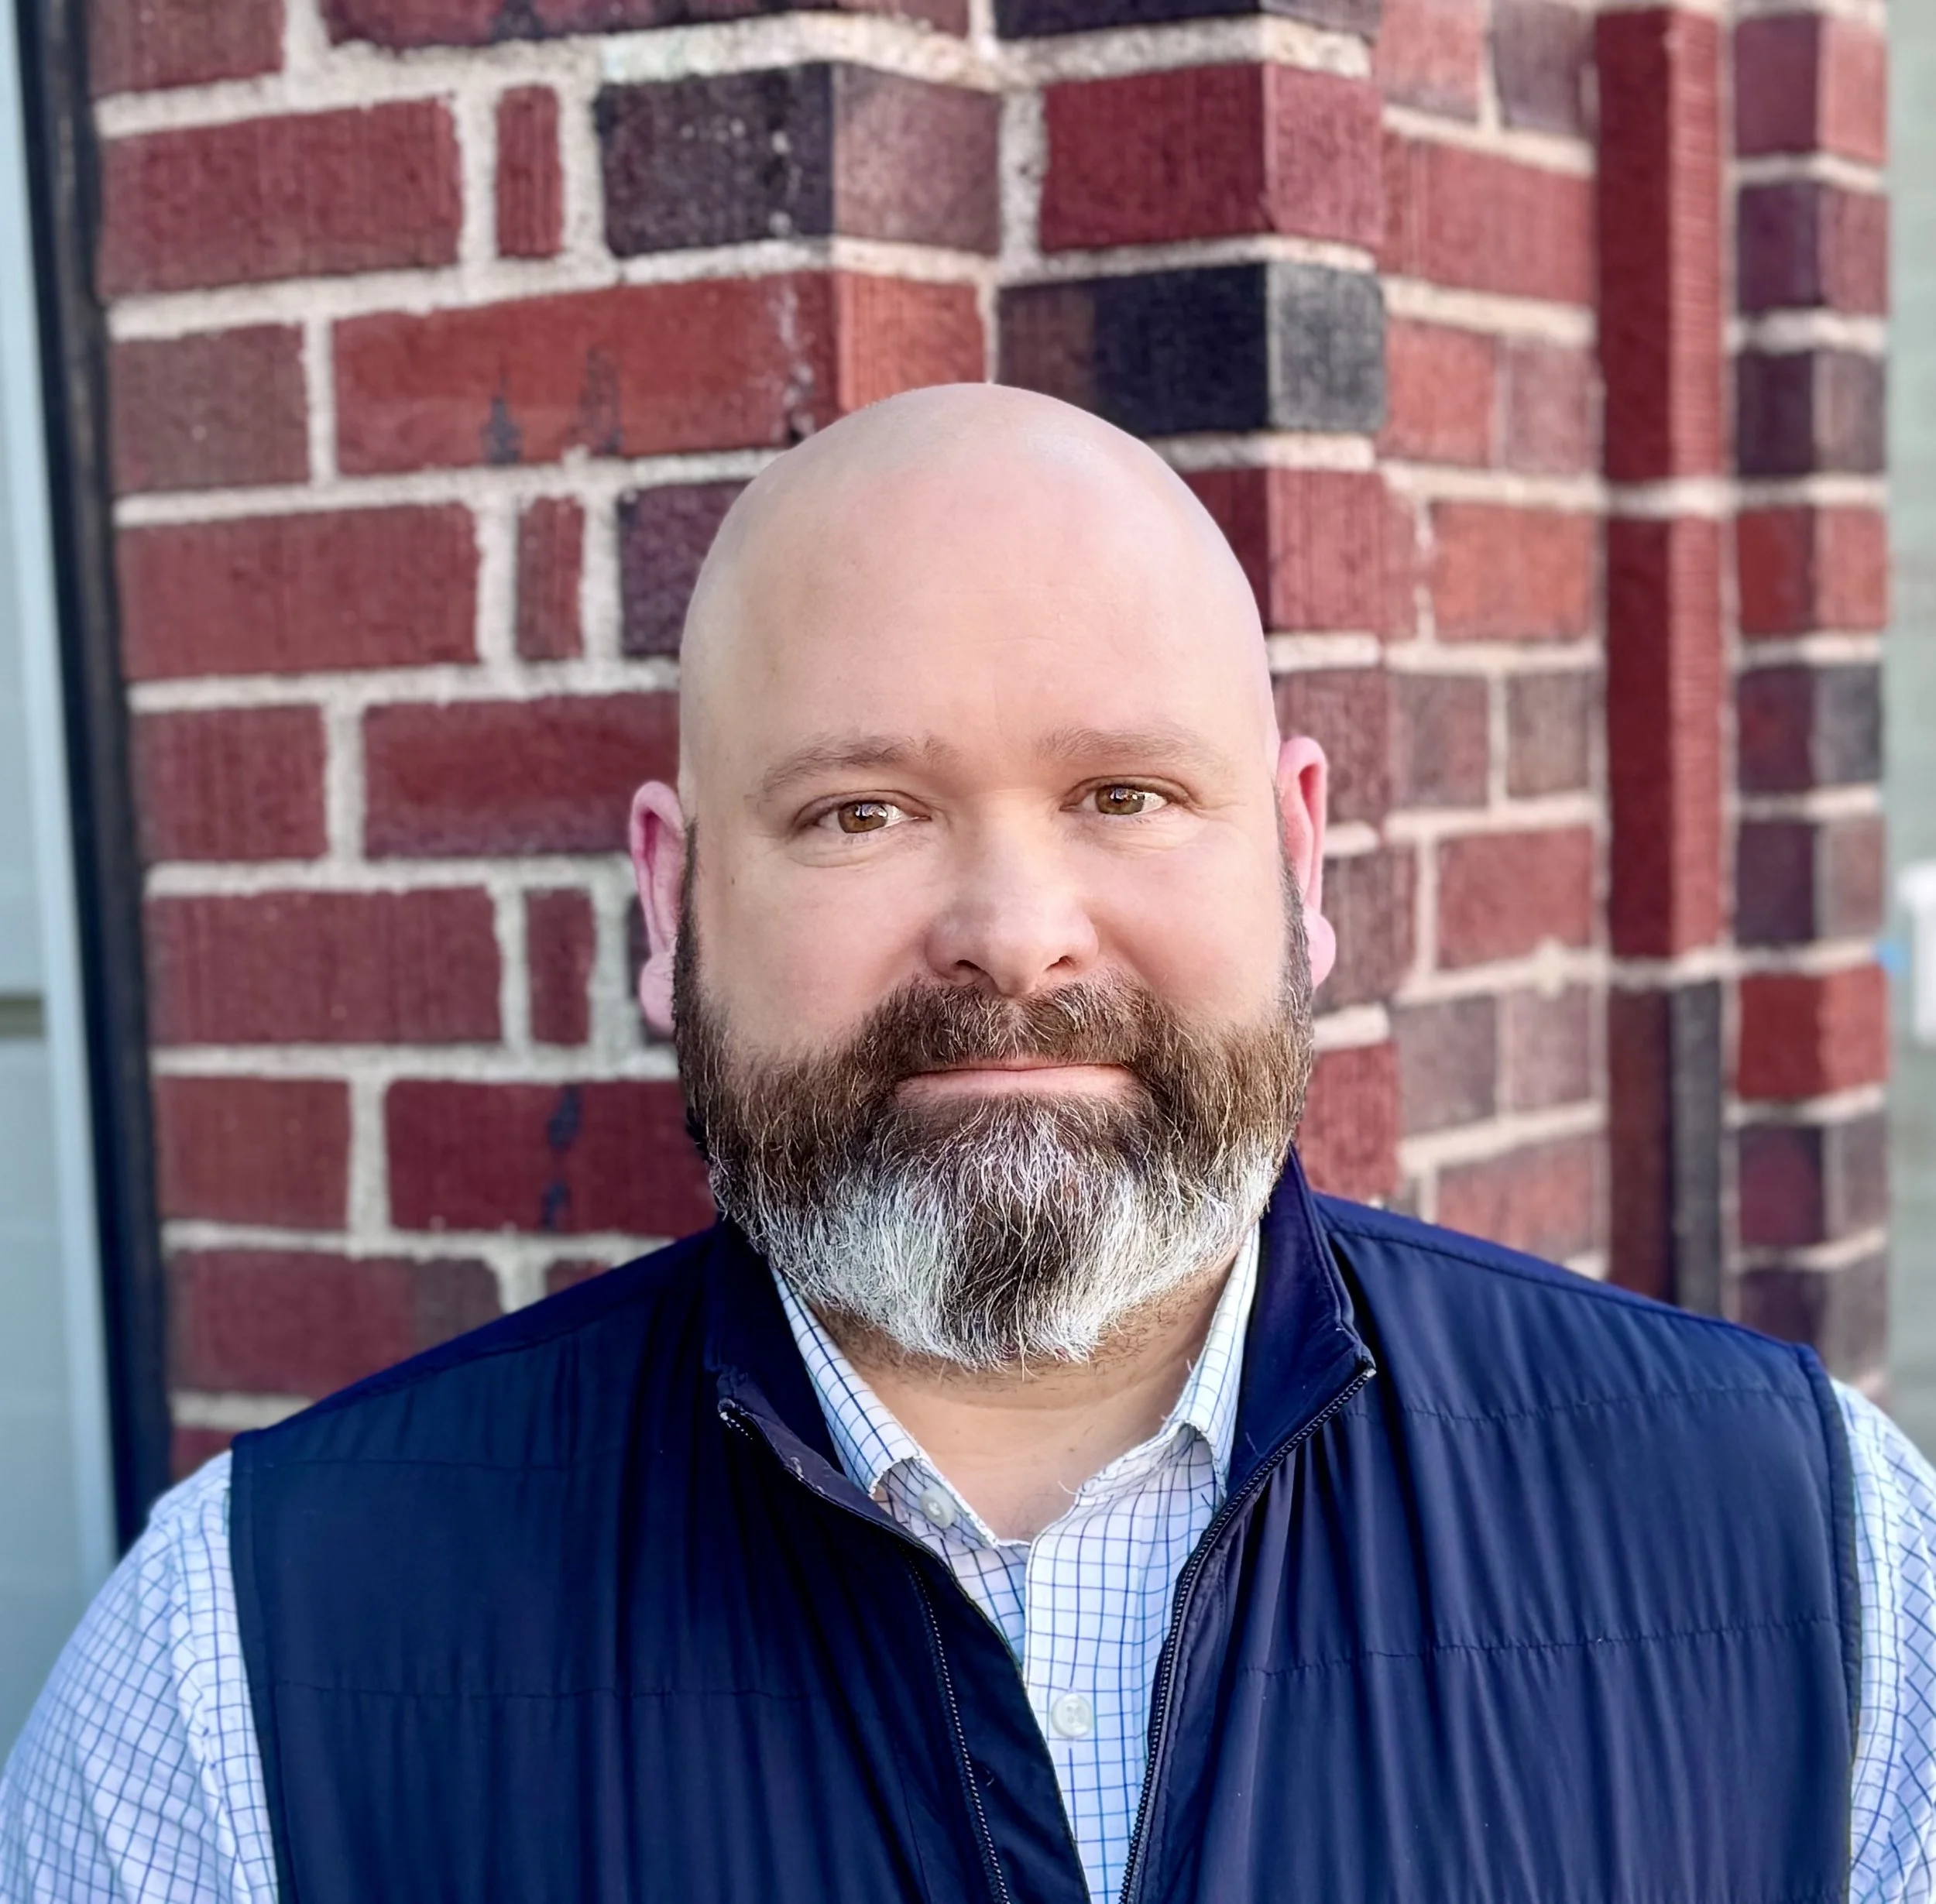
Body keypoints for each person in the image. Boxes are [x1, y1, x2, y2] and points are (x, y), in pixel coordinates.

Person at [4, 383, 1934, 1904]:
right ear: (671, 906)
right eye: (859, 811)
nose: (1012, 929)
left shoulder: (1807, 1553)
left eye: (1123, 790)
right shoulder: (247, 1662)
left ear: (1297, 853)